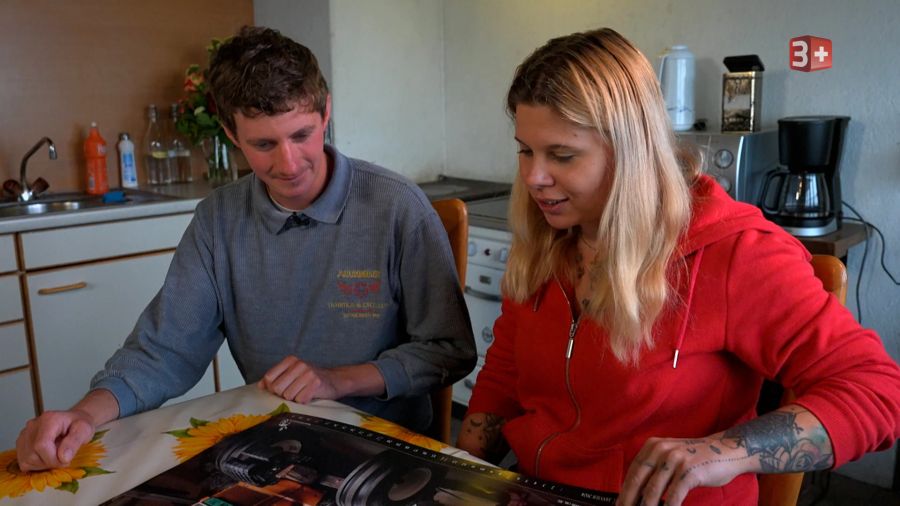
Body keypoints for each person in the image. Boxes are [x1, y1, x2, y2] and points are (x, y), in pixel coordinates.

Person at [456, 28, 900, 506]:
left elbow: (876, 393)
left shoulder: (736, 253)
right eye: (525, 149)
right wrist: (462, 477)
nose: (533, 178)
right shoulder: (549, 238)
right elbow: (504, 375)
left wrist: (725, 452)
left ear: (632, 151)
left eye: (561, 156)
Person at [16, 26, 475, 472]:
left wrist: (338, 379)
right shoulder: (219, 219)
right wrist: (84, 415)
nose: (289, 163)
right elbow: (165, 349)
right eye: (263, 144)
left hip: (386, 453)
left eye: (302, 135)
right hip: (277, 447)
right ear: (230, 134)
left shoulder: (396, 206)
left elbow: (449, 349)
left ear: (326, 111)